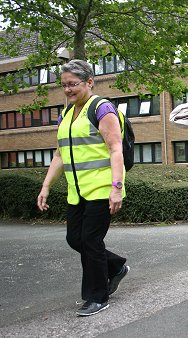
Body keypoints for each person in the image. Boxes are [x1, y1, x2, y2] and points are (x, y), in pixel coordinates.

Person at [36, 60, 129, 317]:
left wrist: (117, 188)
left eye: (73, 84)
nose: (67, 89)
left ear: (89, 82)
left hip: (101, 188)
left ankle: (98, 297)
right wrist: (46, 187)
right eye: (64, 85)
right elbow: (59, 155)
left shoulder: (102, 108)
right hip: (76, 191)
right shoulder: (65, 114)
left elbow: (115, 149)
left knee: (90, 241)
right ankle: (116, 266)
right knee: (74, 239)